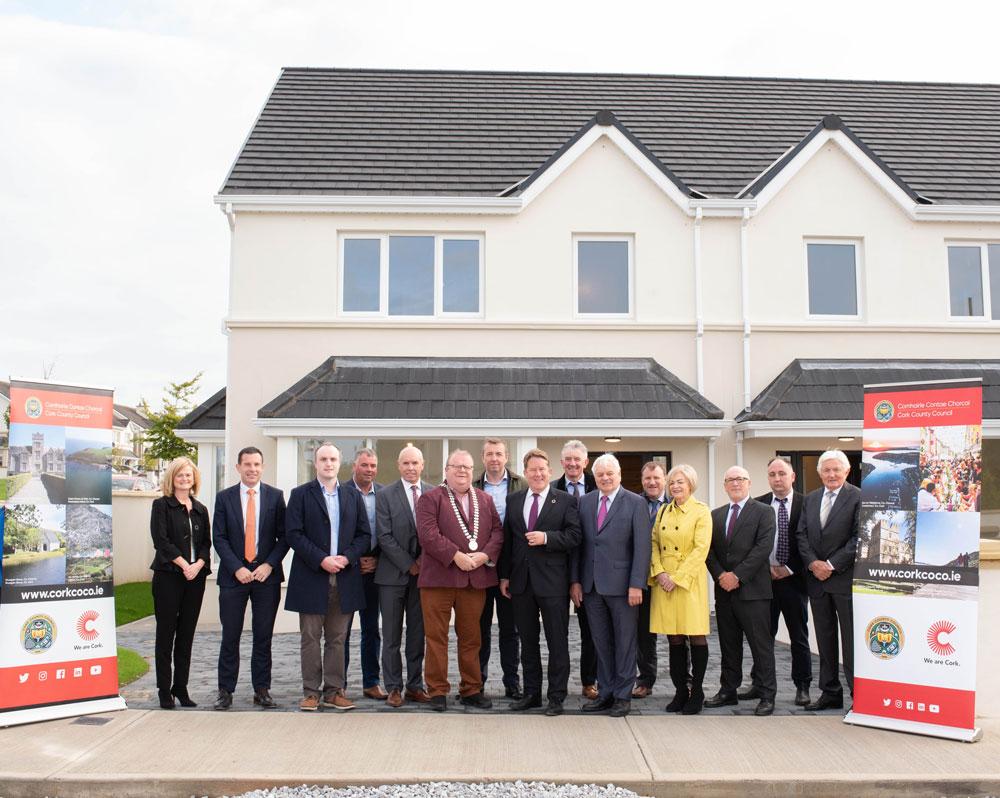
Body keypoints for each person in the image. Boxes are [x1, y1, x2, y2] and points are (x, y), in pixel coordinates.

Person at [285, 443, 371, 711]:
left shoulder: (352, 496)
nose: (328, 463)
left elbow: (364, 535)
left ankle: (335, 691)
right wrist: (321, 559)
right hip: (312, 576)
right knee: (310, 637)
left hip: (345, 577)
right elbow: (293, 534)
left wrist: (346, 557)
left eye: (333, 458)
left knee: (337, 638)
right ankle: (311, 692)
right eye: (323, 459)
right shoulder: (300, 495)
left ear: (340, 462)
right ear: (316, 463)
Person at [416, 449, 504, 711]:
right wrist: (456, 556)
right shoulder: (430, 499)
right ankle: (438, 690)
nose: (462, 471)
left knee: (471, 638)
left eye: (467, 467)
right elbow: (428, 534)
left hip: (473, 580)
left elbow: (498, 532)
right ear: (446, 470)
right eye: (456, 466)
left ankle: (471, 689)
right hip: (438, 580)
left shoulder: (485, 500)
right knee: (436, 637)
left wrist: (484, 555)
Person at [499, 448, 581, 716]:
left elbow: (574, 537)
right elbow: (508, 542)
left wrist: (547, 538)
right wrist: (505, 576)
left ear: (550, 471)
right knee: (528, 641)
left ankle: (556, 697)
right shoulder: (514, 500)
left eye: (542, 469)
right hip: (521, 583)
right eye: (532, 470)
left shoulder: (565, 500)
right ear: (525, 473)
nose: (537, 474)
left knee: (557, 642)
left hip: (553, 583)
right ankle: (531, 693)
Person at [571, 453, 651, 718]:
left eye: (610, 473)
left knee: (625, 642)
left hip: (623, 587)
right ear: (595, 476)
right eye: (601, 474)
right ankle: (605, 693)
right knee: (601, 643)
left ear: (618, 474)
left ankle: (622, 695)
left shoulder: (636, 503)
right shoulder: (585, 502)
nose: (605, 478)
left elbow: (642, 547)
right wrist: (577, 582)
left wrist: (637, 584)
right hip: (592, 586)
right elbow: (580, 546)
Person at [211, 446, 288, 710]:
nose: (252, 469)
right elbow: (218, 537)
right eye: (247, 464)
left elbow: (285, 536)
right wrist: (236, 567)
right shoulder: (224, 498)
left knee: (263, 636)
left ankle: (262, 690)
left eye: (257, 464)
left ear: (262, 467)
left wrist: (268, 564)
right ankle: (225, 691)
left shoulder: (276, 497)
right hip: (234, 578)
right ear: (238, 467)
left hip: (266, 578)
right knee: (230, 635)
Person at [704, 466, 777, 716]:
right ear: (724, 485)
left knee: (761, 645)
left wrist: (737, 575)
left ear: (748, 483)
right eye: (730, 480)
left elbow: (763, 547)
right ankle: (728, 690)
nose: (735, 483)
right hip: (724, 591)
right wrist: (720, 575)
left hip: (753, 591)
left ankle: (767, 694)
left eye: (740, 479)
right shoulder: (716, 515)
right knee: (729, 644)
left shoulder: (764, 512)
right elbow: (709, 551)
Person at [796, 449, 861, 712]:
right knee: (824, 639)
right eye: (826, 470)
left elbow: (859, 538)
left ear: (846, 471)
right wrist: (813, 564)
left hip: (844, 581)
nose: (831, 474)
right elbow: (801, 535)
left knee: (851, 641)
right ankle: (830, 692)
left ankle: (859, 695)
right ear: (819, 473)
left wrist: (831, 565)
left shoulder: (858, 497)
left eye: (836, 469)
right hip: (818, 582)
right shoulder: (811, 499)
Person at [648, 464, 711, 715]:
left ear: (690, 484)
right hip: (664, 582)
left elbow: (701, 549)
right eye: (672, 481)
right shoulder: (663, 511)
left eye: (680, 482)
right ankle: (680, 690)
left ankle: (697, 691)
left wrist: (678, 577)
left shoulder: (701, 511)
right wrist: (660, 572)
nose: (675, 486)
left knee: (695, 634)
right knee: (673, 637)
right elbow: (653, 543)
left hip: (688, 583)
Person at [374, 445, 434, 707]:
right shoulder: (386, 495)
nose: (411, 468)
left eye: (415, 463)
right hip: (392, 576)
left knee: (417, 635)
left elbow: (436, 532)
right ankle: (393, 687)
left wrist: (421, 561)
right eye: (406, 463)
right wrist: (408, 563)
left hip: (423, 576)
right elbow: (384, 535)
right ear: (399, 466)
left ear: (422, 465)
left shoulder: (433, 493)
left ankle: (415, 686)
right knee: (391, 636)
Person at [149, 456, 211, 710]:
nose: (185, 479)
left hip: (195, 579)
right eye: (180, 476)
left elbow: (207, 543)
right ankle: (165, 690)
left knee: (186, 635)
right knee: (166, 634)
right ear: (171, 479)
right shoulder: (161, 505)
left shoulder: (200, 509)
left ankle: (181, 688)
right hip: (169, 577)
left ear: (194, 478)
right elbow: (160, 540)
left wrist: (197, 565)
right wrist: (184, 564)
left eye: (188, 475)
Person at [755, 456, 811, 706]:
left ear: (792, 476)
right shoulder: (759, 505)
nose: (777, 479)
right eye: (772, 475)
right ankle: (760, 683)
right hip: (764, 581)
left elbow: (811, 543)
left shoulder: (806, 504)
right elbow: (752, 543)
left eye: (781, 474)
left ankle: (803, 686)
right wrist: (765, 568)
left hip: (795, 581)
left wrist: (789, 568)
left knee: (798, 636)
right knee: (763, 636)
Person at [473, 437, 523, 700]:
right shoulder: (471, 486)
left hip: (511, 568)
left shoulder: (520, 485)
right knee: (479, 629)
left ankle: (511, 683)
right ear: (483, 458)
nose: (494, 458)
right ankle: (477, 683)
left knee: (510, 630)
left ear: (506, 457)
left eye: (499, 454)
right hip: (480, 567)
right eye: (490, 454)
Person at [551, 439, 599, 700]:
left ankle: (589, 681)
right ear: (562, 463)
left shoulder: (598, 485)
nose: (572, 463)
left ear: (585, 462)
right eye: (567, 459)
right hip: (558, 570)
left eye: (576, 459)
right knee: (558, 631)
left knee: (591, 630)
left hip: (589, 570)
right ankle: (557, 684)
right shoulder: (552, 489)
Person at [343, 448, 386, 700]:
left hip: (375, 571)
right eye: (364, 465)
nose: (369, 469)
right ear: (354, 466)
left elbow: (389, 530)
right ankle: (340, 684)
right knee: (343, 631)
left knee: (372, 629)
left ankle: (371, 682)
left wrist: (377, 560)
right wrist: (354, 558)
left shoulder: (384, 494)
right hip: (348, 570)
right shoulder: (341, 492)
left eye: (373, 465)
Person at [633, 461, 666, 699]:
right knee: (644, 634)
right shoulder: (634, 504)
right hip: (643, 578)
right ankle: (645, 680)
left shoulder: (676, 503)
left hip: (669, 578)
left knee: (678, 633)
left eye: (656, 478)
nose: (652, 483)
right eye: (647, 479)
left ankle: (684, 679)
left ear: (663, 479)